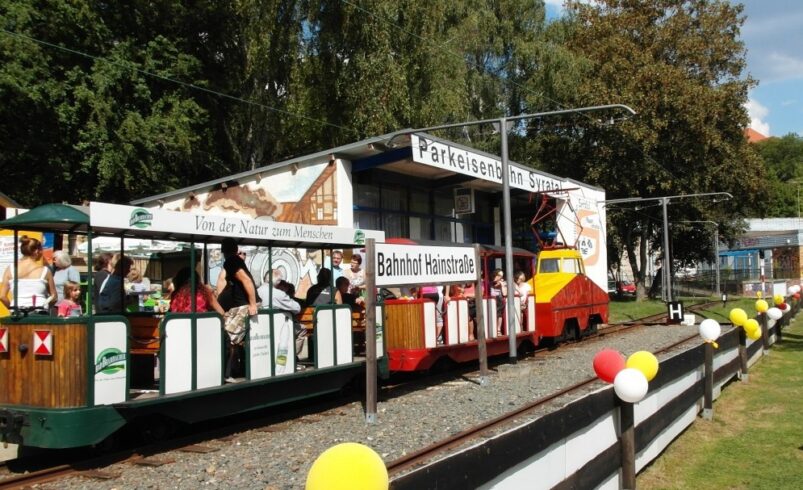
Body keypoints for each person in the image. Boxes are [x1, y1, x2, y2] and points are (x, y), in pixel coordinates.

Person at [217, 238, 260, 381]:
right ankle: (232, 370)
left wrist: (252, 304)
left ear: (223, 250)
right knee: (227, 336)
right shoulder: (234, 261)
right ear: (236, 249)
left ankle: (226, 373)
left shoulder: (231, 262)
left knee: (228, 337)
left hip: (245, 305)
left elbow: (246, 280)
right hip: (240, 305)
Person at [0, 236, 57, 310]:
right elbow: (54, 296)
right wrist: (45, 307)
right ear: (36, 251)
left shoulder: (10, 269)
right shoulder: (45, 270)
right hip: (39, 311)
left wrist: (12, 309)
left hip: (17, 314)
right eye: (41, 250)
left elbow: (2, 296)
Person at [490, 268, 508, 335]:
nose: (501, 277)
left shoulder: (503, 283)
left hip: (499, 300)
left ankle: (498, 330)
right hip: (492, 300)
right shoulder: (491, 283)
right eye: (499, 275)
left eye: (502, 275)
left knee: (499, 314)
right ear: (495, 275)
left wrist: (503, 285)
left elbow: (505, 294)